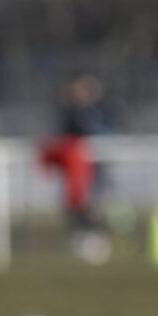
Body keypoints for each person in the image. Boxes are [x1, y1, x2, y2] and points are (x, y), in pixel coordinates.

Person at [38, 71, 111, 262]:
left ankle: (95, 243)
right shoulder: (70, 113)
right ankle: (86, 243)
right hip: (77, 170)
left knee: (91, 206)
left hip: (93, 169)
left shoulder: (102, 110)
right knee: (78, 207)